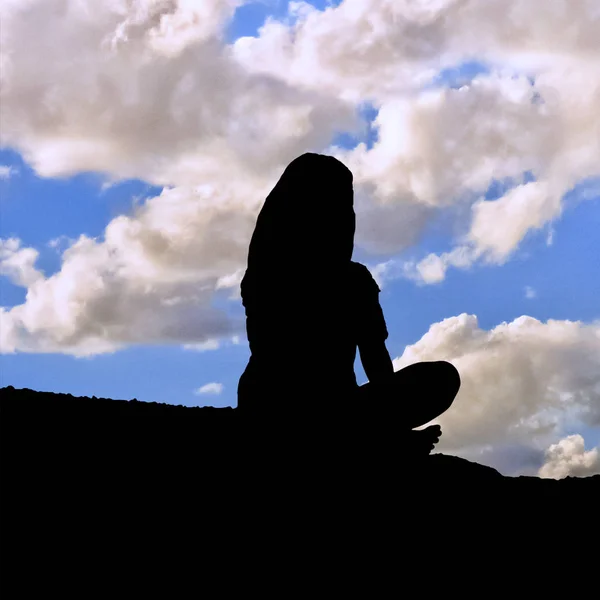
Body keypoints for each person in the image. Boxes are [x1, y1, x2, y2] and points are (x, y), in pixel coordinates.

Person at [237, 153, 460, 452]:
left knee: (441, 377)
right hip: (291, 408)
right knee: (437, 379)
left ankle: (375, 435)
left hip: (330, 406)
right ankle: (377, 440)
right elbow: (374, 363)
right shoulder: (273, 277)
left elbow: (376, 363)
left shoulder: (346, 280)